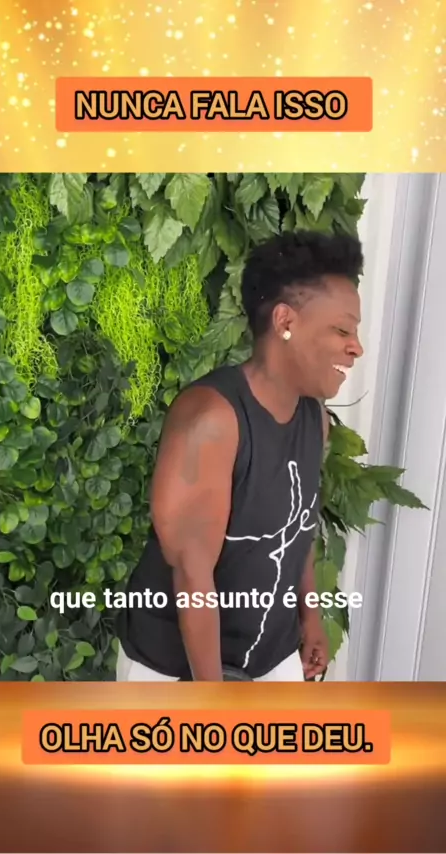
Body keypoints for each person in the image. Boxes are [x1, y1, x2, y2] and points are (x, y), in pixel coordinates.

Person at [116, 229, 364, 682]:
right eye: (342, 329)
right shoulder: (212, 419)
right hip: (177, 671)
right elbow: (192, 577)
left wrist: (310, 618)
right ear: (286, 321)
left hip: (270, 657)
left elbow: (297, 526)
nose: (356, 347)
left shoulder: (315, 418)